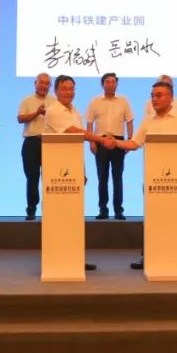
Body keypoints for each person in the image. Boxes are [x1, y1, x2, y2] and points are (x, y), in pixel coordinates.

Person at [111, 80, 177, 270]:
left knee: (174, 217)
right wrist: (115, 142)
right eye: (152, 96)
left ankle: (176, 258)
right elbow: (134, 143)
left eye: (159, 95)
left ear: (171, 97)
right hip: (152, 178)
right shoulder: (148, 120)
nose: (154, 99)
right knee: (151, 218)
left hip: (175, 178)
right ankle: (148, 257)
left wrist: (170, 152)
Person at [46, 75, 117, 271]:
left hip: (73, 168)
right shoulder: (53, 110)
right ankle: (57, 259)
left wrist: (81, 170)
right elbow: (74, 132)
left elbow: (76, 144)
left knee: (74, 216)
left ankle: (74, 257)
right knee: (58, 215)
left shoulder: (75, 111)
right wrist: (101, 140)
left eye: (72, 88)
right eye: (64, 88)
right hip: (57, 170)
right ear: (56, 91)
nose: (69, 92)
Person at [85, 72, 134, 220]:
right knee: (102, 177)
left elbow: (129, 122)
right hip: (100, 140)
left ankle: (118, 210)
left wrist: (129, 140)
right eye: (107, 82)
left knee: (118, 177)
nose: (110, 84)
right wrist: (92, 141)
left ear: (116, 84)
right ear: (102, 84)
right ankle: (103, 210)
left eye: (113, 82)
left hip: (118, 142)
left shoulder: (124, 101)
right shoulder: (94, 101)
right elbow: (89, 124)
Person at [17, 73, 53, 220]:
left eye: (47, 83)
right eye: (41, 82)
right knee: (32, 177)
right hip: (31, 142)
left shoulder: (55, 101)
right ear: (35, 83)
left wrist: (48, 114)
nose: (44, 85)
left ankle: (50, 209)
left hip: (50, 142)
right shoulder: (27, 100)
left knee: (50, 177)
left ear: (50, 86)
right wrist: (37, 112)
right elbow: (20, 118)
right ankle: (31, 209)